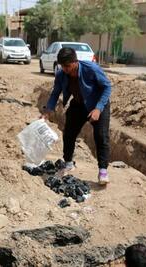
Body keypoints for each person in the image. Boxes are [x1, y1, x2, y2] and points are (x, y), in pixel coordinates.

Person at [42, 47, 111, 185]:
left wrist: (98, 108)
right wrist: (48, 110)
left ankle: (103, 170)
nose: (65, 69)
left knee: (101, 136)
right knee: (68, 133)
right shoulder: (62, 74)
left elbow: (107, 87)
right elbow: (55, 93)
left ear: (75, 61)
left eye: (67, 66)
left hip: (97, 104)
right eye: (62, 66)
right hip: (79, 104)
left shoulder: (91, 69)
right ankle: (68, 163)